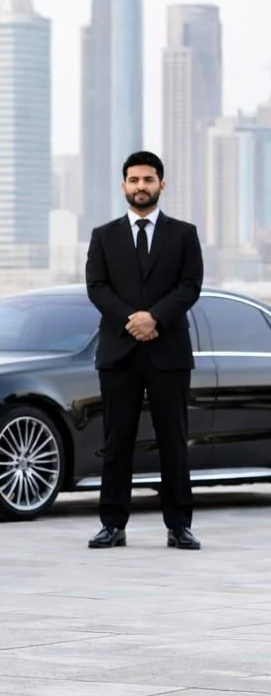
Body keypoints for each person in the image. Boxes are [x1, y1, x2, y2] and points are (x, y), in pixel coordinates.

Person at [84, 150, 204, 550]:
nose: (141, 187)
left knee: (173, 439)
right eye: (133, 180)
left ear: (161, 185)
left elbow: (190, 285)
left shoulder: (183, 234)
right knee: (118, 441)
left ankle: (179, 525)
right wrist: (131, 320)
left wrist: (155, 318)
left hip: (168, 351)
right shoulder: (104, 235)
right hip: (119, 353)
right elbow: (96, 287)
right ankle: (112, 524)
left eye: (148, 180)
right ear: (124, 186)